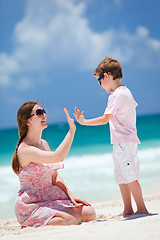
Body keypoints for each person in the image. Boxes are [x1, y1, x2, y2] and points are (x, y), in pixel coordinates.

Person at [74, 57, 149, 217]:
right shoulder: (126, 92)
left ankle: (141, 208)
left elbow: (104, 118)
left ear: (106, 76)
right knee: (121, 175)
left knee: (129, 176)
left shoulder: (116, 95)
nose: (101, 87)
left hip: (124, 142)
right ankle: (128, 209)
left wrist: (83, 122)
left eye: (99, 82)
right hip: (123, 142)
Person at [12, 101, 96, 228]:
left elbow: (54, 176)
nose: (44, 115)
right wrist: (71, 131)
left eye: (44, 112)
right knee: (72, 219)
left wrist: (70, 195)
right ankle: (30, 223)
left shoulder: (44, 144)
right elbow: (58, 157)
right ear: (28, 121)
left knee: (90, 213)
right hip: (32, 204)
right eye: (39, 113)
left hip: (51, 198)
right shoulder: (25, 150)